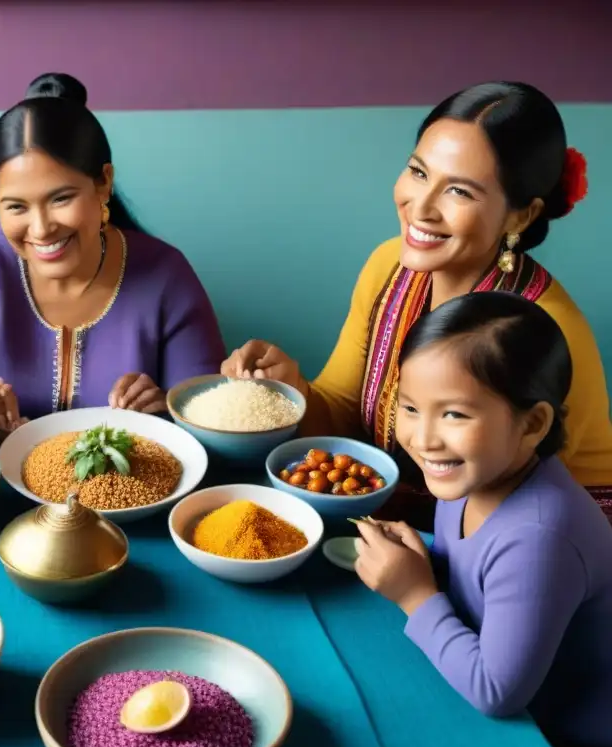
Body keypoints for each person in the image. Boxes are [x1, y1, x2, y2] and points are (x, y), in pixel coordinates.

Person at [222, 81, 612, 524]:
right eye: (419, 172)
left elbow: (524, 511)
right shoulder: (390, 266)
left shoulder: (546, 329)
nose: (420, 207)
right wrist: (293, 390)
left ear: (521, 215)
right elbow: (343, 417)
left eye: (459, 191)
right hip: (411, 533)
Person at [0, 73, 224, 436]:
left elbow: (212, 425)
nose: (40, 229)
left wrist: (163, 410)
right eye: (15, 207)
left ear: (103, 182)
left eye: (61, 199)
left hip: (132, 491)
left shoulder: (166, 276)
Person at [352, 292, 612, 747]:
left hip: (565, 740)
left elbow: (496, 691)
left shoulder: (540, 537)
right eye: (410, 408)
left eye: (454, 414)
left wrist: (413, 594)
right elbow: (472, 572)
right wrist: (423, 558)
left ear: (533, 424)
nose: (424, 438)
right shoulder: (477, 475)